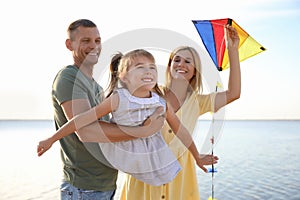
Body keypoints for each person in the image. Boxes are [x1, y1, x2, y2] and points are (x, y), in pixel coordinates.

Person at [37, 49, 218, 186]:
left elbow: (181, 130)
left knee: (164, 179)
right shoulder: (119, 98)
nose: (148, 71)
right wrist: (52, 139)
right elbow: (81, 120)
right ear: (124, 77)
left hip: (150, 153)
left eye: (152, 68)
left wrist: (196, 156)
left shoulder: (160, 102)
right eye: (140, 67)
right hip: (123, 149)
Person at [39, 19, 165, 200]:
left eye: (97, 41)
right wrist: (142, 131)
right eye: (86, 41)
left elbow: (112, 128)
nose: (94, 46)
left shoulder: (97, 87)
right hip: (83, 188)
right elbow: (86, 131)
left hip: (104, 185)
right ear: (69, 44)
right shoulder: (69, 78)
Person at [120, 25, 241, 199]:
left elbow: (233, 93)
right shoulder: (151, 93)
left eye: (187, 61)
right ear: (169, 66)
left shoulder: (199, 102)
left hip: (180, 175)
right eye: (176, 60)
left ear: (194, 71)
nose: (181, 64)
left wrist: (232, 50)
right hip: (145, 171)